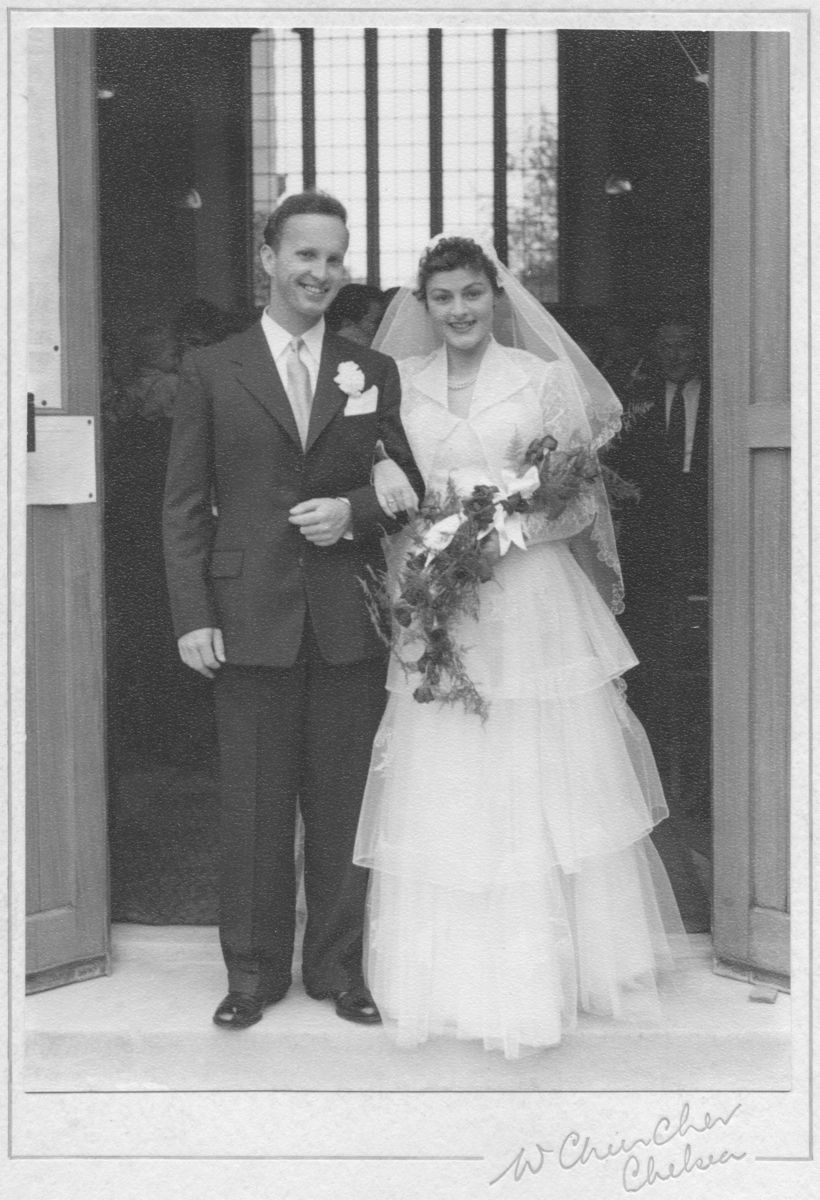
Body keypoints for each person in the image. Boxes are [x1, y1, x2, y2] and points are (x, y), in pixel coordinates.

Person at [353, 235, 687, 1059]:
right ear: (423, 306)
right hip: (442, 599)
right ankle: (452, 975)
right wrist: (430, 544)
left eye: (473, 294)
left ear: (496, 298)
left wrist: (509, 532)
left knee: (542, 763)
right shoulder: (400, 386)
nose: (460, 310)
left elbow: (576, 502)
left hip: (530, 596)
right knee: (454, 766)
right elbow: (391, 483)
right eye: (443, 298)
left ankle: (558, 968)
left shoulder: (540, 383)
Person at [162, 191, 423, 1030]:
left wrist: (356, 509)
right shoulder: (212, 368)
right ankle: (251, 973)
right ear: (268, 258)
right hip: (245, 616)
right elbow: (182, 504)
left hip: (346, 615)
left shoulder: (369, 371)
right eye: (305, 254)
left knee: (345, 801)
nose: (321, 272)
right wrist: (192, 613)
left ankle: (340, 970)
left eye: (336, 257)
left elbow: (405, 487)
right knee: (254, 804)